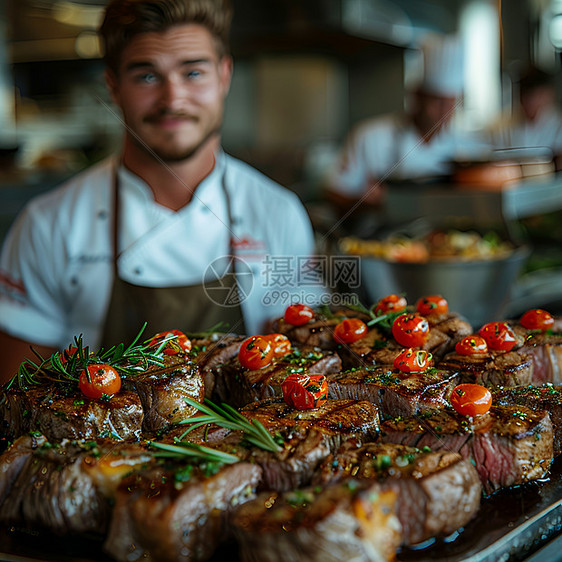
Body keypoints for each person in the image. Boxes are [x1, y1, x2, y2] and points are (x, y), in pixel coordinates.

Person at [0, 0, 326, 384]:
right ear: (113, 87)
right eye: (147, 77)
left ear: (224, 75)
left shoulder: (278, 211)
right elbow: (16, 393)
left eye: (193, 72)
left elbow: (300, 367)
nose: (173, 99)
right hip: (98, 444)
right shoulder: (49, 223)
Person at [324, 34, 486, 231]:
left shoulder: (466, 147)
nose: (444, 112)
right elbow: (334, 194)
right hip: (379, 241)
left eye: (451, 103)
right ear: (417, 96)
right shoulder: (369, 136)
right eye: (437, 101)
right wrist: (367, 203)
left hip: (444, 240)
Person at [490, 66, 562, 170]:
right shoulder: (505, 124)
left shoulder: (558, 125)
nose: (529, 101)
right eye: (525, 96)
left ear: (548, 95)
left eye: (535, 96)